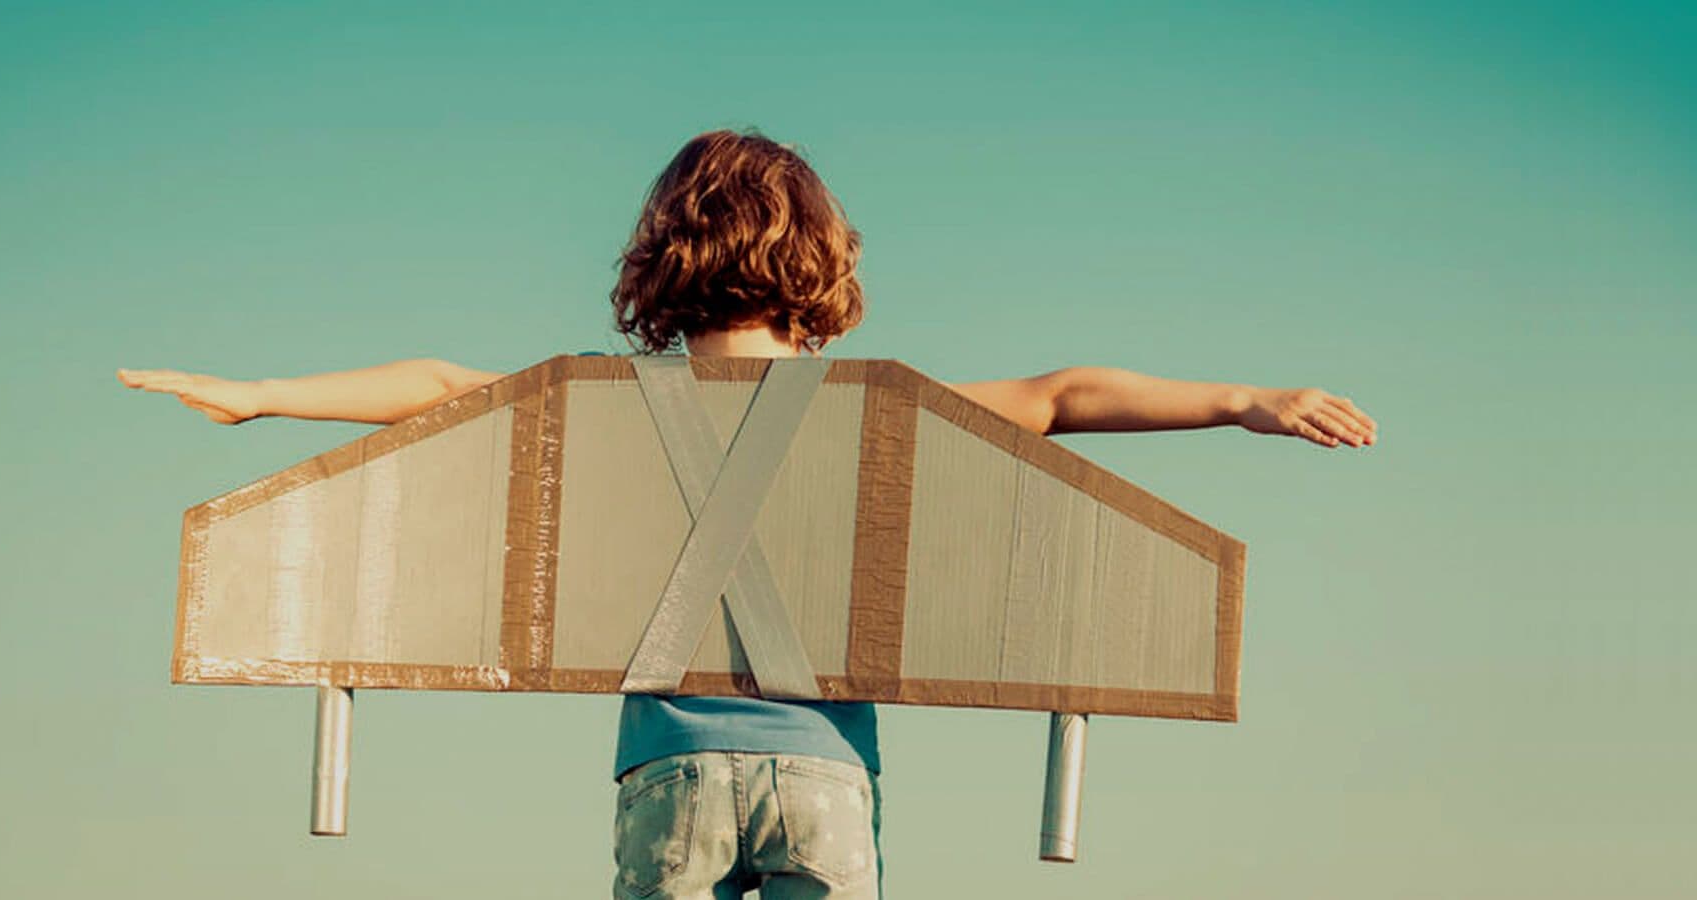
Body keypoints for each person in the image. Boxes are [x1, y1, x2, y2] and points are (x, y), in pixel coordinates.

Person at [119, 129, 1377, 899]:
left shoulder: (608, 405)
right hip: (825, 773)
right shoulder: (878, 410)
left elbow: (441, 388)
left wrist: (262, 397)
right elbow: (1057, 396)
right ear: (822, 260)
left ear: (660, 257)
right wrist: (1242, 399)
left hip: (667, 770)